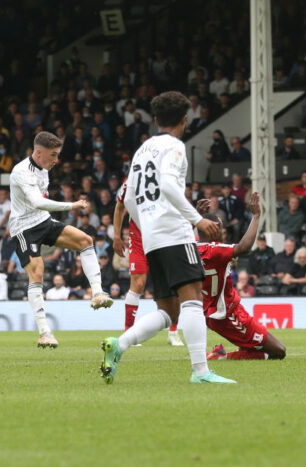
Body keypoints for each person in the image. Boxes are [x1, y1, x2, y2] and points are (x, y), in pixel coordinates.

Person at [101, 91, 233, 385]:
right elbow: (170, 186)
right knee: (192, 301)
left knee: (167, 311)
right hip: (174, 232)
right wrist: (196, 219)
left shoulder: (143, 149)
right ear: (185, 120)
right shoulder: (174, 147)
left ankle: (118, 345)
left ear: (156, 119)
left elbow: (130, 197)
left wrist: (147, 223)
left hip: (151, 238)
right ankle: (201, 372)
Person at [8, 131, 114, 349]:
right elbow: (37, 202)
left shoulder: (44, 169)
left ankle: (97, 293)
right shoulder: (21, 172)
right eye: (53, 155)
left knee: (85, 240)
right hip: (23, 227)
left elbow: (41, 206)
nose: (56, 160)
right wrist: (71, 205)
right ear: (38, 153)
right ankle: (44, 333)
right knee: (37, 272)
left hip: (43, 221)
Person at [195, 193, 286, 361]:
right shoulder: (215, 251)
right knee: (279, 351)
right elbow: (244, 247)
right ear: (213, 228)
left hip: (217, 310)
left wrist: (197, 217)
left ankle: (227, 353)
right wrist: (256, 216)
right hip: (226, 314)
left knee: (252, 348)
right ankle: (220, 357)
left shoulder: (191, 248)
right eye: (220, 228)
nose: (222, 232)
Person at [112, 177, 185, 347]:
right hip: (138, 238)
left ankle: (173, 332)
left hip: (163, 235)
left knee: (173, 282)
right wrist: (116, 236)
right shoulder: (128, 183)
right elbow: (119, 207)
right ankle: (128, 331)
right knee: (137, 284)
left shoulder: (165, 179)